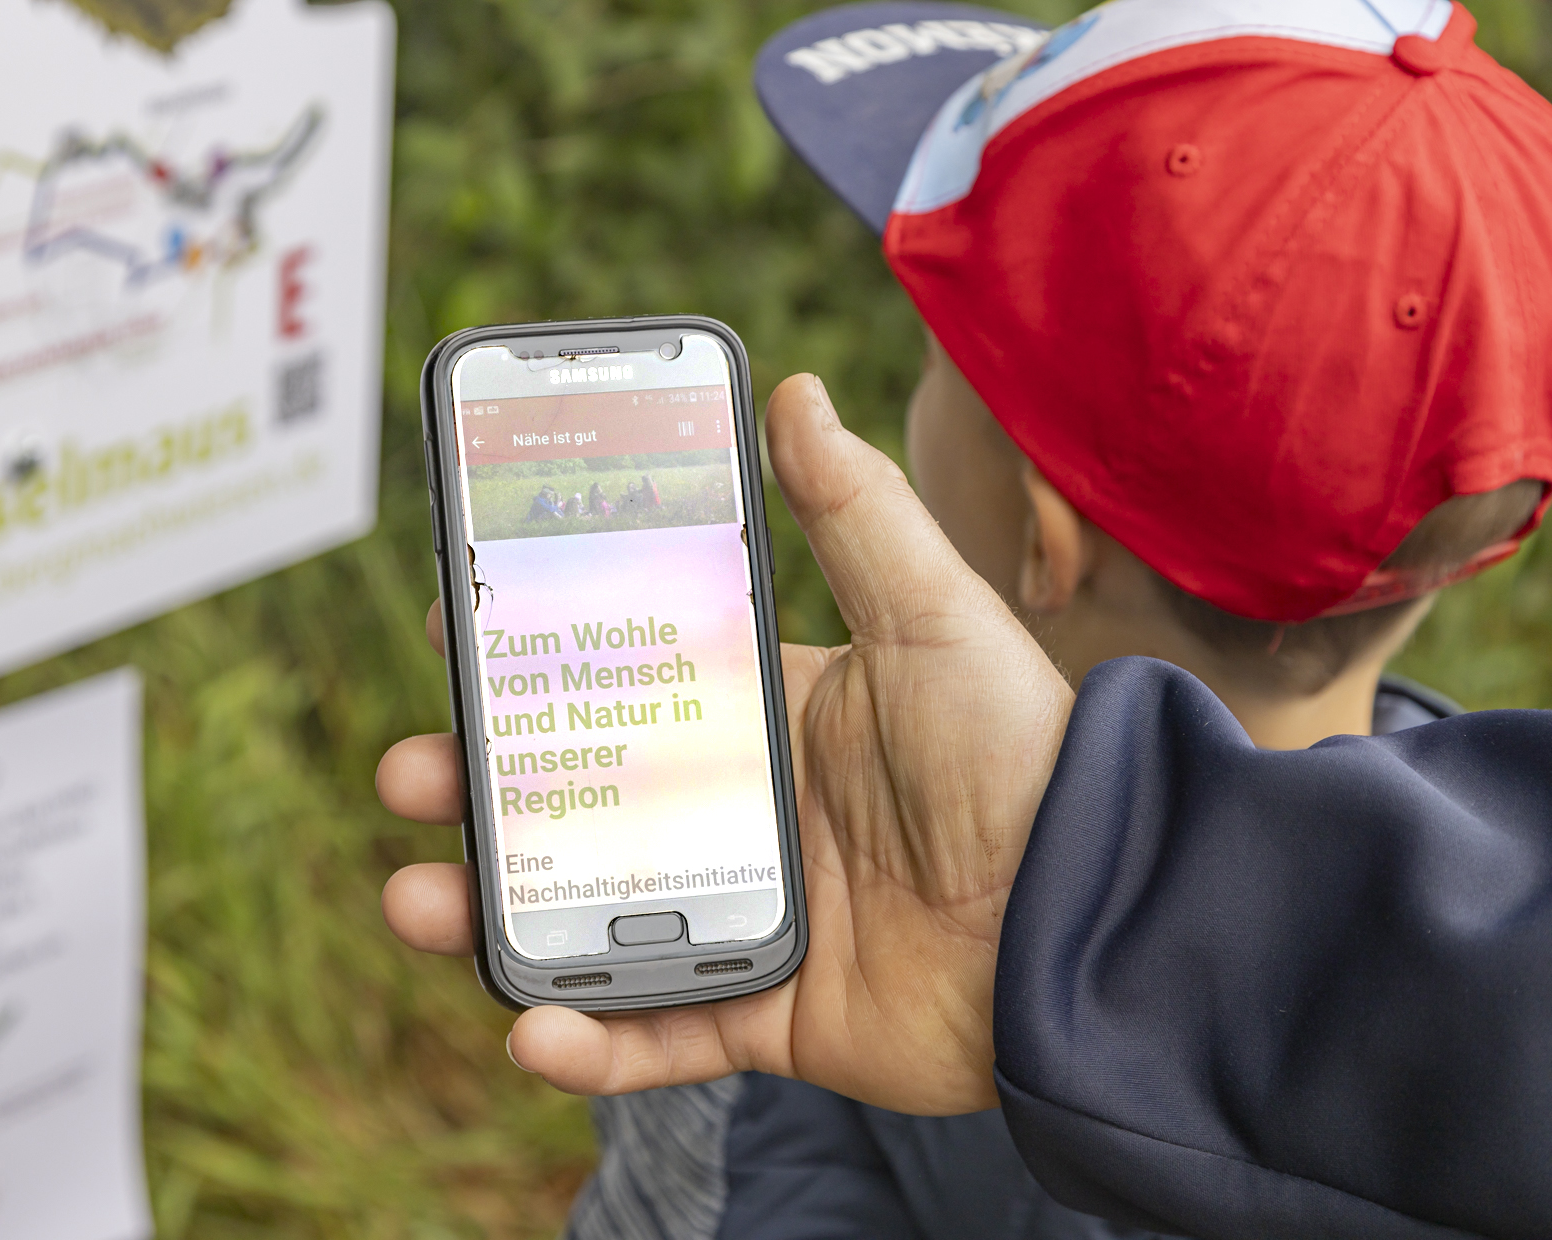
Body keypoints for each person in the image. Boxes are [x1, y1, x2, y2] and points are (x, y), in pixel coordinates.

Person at [377, 4, 1552, 1238]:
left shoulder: (757, 1057)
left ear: (1045, 537)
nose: (920, 382)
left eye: (942, 354)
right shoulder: (1478, 929)